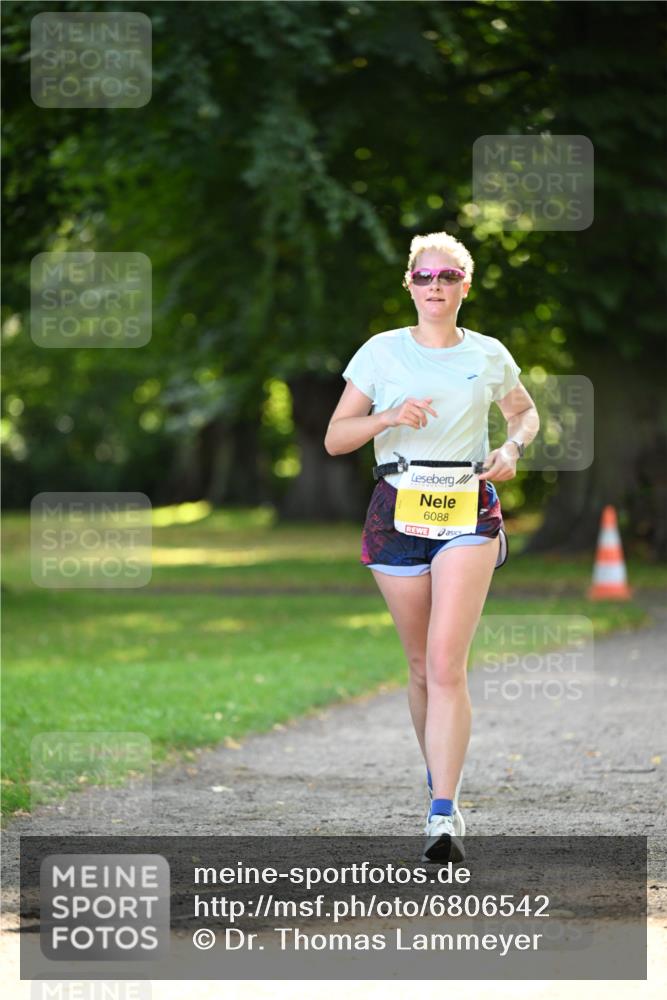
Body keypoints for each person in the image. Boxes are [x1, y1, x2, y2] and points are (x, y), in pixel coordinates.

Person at [324, 231, 539, 863]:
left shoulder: (489, 354)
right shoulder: (381, 353)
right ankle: (437, 781)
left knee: (446, 663)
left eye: (448, 276)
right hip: (397, 506)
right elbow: (337, 438)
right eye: (425, 276)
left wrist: (512, 448)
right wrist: (388, 418)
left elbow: (524, 412)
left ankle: (442, 815)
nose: (435, 285)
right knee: (420, 665)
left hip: (467, 504)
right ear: (410, 286)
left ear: (464, 287)